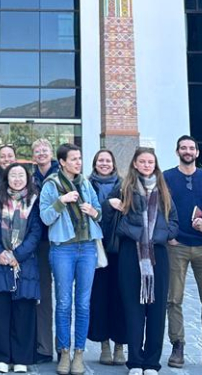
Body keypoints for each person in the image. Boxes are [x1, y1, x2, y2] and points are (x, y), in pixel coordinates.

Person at [106, 148, 178, 375]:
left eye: (150, 162)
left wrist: (162, 235)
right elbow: (111, 220)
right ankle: (135, 361)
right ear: (135, 164)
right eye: (142, 161)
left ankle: (152, 362)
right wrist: (127, 225)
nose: (147, 165)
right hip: (130, 253)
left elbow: (174, 221)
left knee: (156, 311)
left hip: (158, 254)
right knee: (133, 308)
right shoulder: (124, 188)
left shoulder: (164, 189)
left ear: (155, 164)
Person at [163, 136, 202, 371]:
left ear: (197, 152)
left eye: (191, 148)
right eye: (183, 148)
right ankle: (177, 346)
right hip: (176, 246)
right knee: (173, 299)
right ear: (177, 151)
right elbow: (160, 208)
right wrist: (169, 234)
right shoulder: (166, 178)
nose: (187, 151)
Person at [39, 143, 103, 375]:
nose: (78, 162)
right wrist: (61, 201)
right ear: (62, 162)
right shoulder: (51, 185)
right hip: (62, 250)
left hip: (87, 248)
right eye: (74, 159)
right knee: (64, 302)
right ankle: (63, 352)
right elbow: (45, 217)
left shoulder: (86, 183)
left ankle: (79, 353)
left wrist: (93, 212)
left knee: (84, 303)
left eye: (80, 158)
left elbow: (99, 212)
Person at [0, 163, 42, 374]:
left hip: (25, 262)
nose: (17, 179)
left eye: (21, 175)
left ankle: (21, 358)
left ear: (27, 178)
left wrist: (17, 255)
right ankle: (1, 356)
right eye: (13, 175)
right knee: (0, 308)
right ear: (6, 178)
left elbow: (36, 231)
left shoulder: (34, 200)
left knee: (24, 310)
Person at [88, 149, 126, 367]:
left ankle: (120, 345)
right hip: (94, 248)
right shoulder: (86, 184)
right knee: (99, 297)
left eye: (108, 160)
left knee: (120, 297)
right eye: (100, 160)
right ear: (95, 164)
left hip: (120, 249)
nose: (104, 164)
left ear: (113, 164)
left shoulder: (124, 185)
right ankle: (104, 344)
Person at [31, 138, 60, 363]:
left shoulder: (64, 176)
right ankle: (44, 347)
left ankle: (65, 349)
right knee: (43, 296)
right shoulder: (30, 179)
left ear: (51, 153)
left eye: (45, 149)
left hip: (62, 243)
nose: (41, 153)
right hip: (39, 243)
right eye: (37, 151)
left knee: (65, 298)